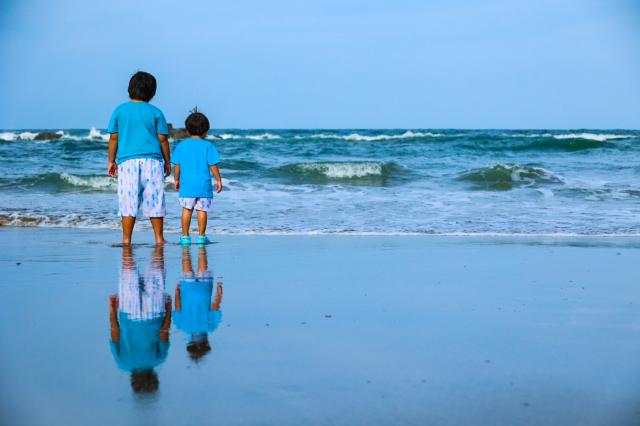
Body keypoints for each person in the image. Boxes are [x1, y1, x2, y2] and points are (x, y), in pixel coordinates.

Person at [107, 71, 171, 245]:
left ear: (130, 89)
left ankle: (126, 239)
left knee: (128, 200)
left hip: (127, 162)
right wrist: (167, 161)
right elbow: (163, 140)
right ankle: (159, 238)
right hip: (153, 161)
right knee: (155, 199)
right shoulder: (156, 112)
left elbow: (113, 138)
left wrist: (111, 161)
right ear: (152, 92)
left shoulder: (119, 111)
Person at [109, 245, 172, 395]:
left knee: (157, 266)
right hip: (129, 313)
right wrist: (112, 309)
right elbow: (115, 332)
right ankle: (127, 243)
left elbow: (164, 332)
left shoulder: (158, 359)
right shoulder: (123, 363)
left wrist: (169, 309)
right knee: (128, 267)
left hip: (154, 314)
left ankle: (158, 241)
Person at [171, 110, 222, 245]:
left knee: (187, 210)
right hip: (203, 185)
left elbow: (177, 165)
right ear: (206, 130)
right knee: (202, 211)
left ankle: (185, 237)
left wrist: (176, 179)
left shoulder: (181, 145)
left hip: (187, 185)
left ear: (187, 129)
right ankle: (201, 237)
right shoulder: (208, 145)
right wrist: (218, 179)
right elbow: (212, 165)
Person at [173, 245, 223, 362]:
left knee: (202, 263)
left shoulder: (210, 327)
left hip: (204, 289)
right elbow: (178, 307)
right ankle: (185, 245)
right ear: (189, 343)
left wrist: (219, 293)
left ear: (207, 342)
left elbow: (215, 307)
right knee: (186, 263)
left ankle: (201, 245)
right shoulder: (182, 326)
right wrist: (177, 292)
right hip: (188, 289)